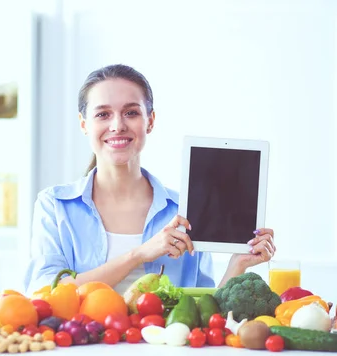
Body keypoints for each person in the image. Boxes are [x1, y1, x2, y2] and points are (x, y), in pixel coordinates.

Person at [23, 64, 276, 296]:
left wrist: (237, 265)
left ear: (150, 121)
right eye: (103, 114)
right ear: (84, 124)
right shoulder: (55, 205)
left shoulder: (184, 211)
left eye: (131, 112)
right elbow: (45, 294)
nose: (117, 125)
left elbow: (203, 316)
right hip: (84, 346)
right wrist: (138, 255)